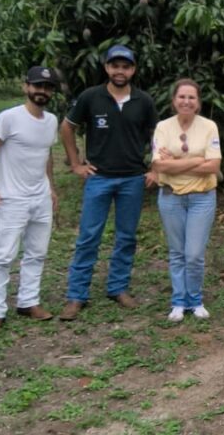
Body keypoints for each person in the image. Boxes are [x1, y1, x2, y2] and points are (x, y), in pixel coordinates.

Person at [58, 45, 158, 321]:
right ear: (106, 68)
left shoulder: (144, 101)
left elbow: (156, 136)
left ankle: (118, 287)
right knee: (89, 236)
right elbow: (67, 127)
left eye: (125, 66)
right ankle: (76, 295)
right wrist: (76, 162)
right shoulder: (91, 97)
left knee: (126, 237)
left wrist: (155, 167)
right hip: (99, 178)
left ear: (133, 70)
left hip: (132, 179)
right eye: (115, 66)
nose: (120, 71)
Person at [0, 66, 60, 333]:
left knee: (37, 253)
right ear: (26, 87)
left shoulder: (50, 121)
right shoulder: (9, 118)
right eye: (38, 86)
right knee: (3, 256)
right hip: (12, 198)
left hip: (40, 196)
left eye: (47, 87)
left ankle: (28, 302)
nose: (42, 92)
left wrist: (51, 188)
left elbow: (46, 154)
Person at [151, 79, 222, 322]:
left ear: (198, 103)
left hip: (202, 197)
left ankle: (195, 299)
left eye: (192, 97)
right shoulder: (163, 127)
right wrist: (197, 160)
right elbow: (158, 164)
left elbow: (213, 165)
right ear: (174, 100)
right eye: (182, 97)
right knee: (177, 252)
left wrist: (175, 163)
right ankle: (179, 302)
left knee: (194, 253)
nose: (186, 101)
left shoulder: (209, 126)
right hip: (171, 196)